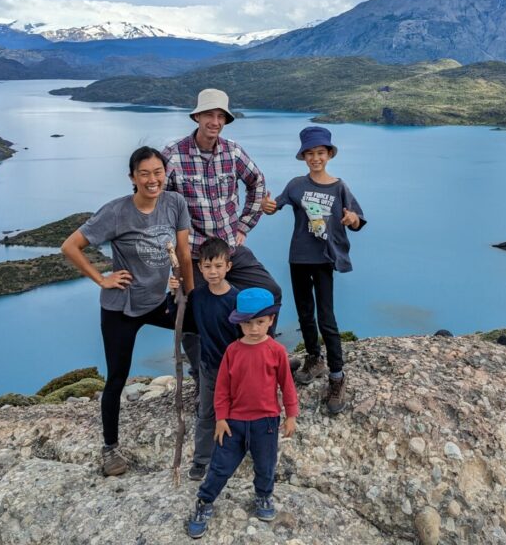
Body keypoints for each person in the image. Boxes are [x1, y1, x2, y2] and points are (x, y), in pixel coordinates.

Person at [61, 146, 195, 477]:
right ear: (133, 178)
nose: (153, 179)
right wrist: (101, 279)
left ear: (166, 173)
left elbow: (184, 253)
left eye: (158, 172)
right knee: (117, 378)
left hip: (158, 302)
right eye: (145, 173)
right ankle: (109, 448)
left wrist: (190, 296)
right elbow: (70, 246)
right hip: (121, 308)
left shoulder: (174, 203)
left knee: (205, 324)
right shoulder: (117, 212)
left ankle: (214, 388)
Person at [261, 126, 365, 415]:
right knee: (305, 313)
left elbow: (356, 220)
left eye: (320, 152)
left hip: (323, 259)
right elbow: (275, 206)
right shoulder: (296, 185)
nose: (315, 158)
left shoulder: (339, 187)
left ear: (329, 154)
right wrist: (267, 205)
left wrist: (352, 218)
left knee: (326, 318)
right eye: (310, 153)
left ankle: (336, 376)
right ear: (303, 156)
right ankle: (314, 358)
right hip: (299, 258)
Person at [163, 89, 282, 336]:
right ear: (197, 117)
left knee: (269, 292)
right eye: (209, 114)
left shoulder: (233, 152)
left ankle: (261, 354)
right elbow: (157, 205)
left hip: (229, 248)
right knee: (193, 310)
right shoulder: (173, 155)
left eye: (220, 116)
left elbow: (257, 182)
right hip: (194, 254)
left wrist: (243, 226)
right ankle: (202, 371)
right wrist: (171, 253)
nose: (215, 122)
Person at [187, 288, 298, 539]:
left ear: (271, 320)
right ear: (239, 322)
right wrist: (221, 418)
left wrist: (291, 414)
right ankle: (204, 502)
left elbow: (287, 385)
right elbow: (223, 389)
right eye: (248, 322)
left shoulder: (277, 351)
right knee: (220, 466)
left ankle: (263, 496)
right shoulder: (233, 351)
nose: (254, 328)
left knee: (265, 464)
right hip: (234, 422)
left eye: (260, 322)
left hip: (266, 421)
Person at [187, 237, 241, 482]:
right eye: (207, 266)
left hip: (236, 369)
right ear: (200, 268)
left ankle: (237, 452)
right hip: (209, 368)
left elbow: (246, 336)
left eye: (218, 266)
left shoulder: (237, 299)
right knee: (206, 413)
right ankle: (201, 460)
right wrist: (173, 290)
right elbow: (182, 319)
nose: (213, 271)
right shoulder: (197, 296)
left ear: (228, 266)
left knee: (239, 412)